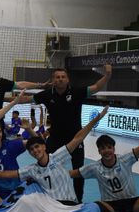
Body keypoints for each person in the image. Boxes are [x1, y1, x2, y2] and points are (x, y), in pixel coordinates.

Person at [0, 106, 109, 212]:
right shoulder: (31, 169)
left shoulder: (58, 157)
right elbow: (6, 174)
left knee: (94, 207)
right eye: (32, 150)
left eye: (37, 147)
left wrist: (95, 120)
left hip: (67, 203)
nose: (35, 151)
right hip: (50, 207)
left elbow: (78, 138)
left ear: (44, 147)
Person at [32, 65, 112, 202]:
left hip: (76, 139)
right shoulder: (46, 94)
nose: (60, 79)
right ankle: (46, 197)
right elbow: (26, 99)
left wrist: (108, 75)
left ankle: (78, 201)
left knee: (79, 171)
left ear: (68, 79)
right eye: (57, 77)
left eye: (63, 77)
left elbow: (97, 87)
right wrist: (5, 99)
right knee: (45, 166)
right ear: (53, 80)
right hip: (55, 138)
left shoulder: (77, 92)